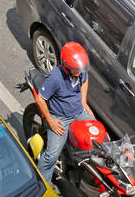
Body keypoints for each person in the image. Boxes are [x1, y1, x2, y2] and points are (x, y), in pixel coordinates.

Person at [32, 42, 93, 183]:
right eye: (76, 70)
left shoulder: (81, 71)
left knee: (97, 136)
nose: (79, 73)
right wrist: (50, 121)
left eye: (80, 69)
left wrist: (83, 102)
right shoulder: (55, 77)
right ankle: (42, 183)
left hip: (79, 112)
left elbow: (85, 81)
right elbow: (40, 100)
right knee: (51, 156)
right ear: (66, 66)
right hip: (60, 117)